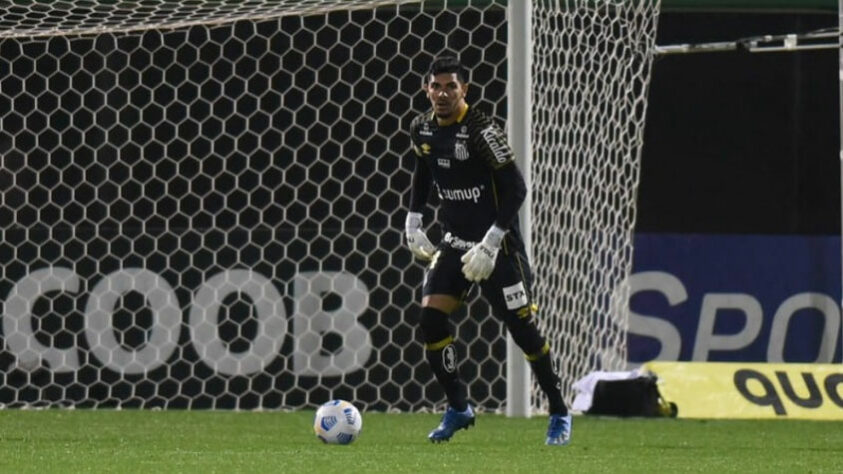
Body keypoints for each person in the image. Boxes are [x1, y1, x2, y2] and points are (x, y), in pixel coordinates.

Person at [404, 55, 572, 446]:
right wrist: (413, 220)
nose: (443, 93)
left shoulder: (481, 131)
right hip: (455, 243)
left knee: (522, 330)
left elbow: (516, 189)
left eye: (451, 86)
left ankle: (560, 411)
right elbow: (424, 170)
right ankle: (459, 407)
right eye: (436, 86)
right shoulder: (422, 128)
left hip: (498, 248)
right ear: (426, 89)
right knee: (430, 320)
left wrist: (493, 241)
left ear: (465, 90)